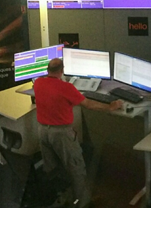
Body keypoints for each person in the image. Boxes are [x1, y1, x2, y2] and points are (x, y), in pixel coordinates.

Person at [33, 57, 122, 207]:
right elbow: (88, 104)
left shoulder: (38, 83)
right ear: (62, 71)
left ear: (47, 70)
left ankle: (57, 198)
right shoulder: (66, 88)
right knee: (77, 168)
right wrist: (110, 107)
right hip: (61, 134)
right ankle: (82, 203)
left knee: (51, 168)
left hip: (42, 131)